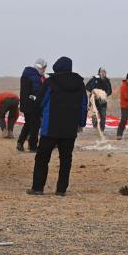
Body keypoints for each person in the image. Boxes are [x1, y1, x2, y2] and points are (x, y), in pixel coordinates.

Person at [27, 56, 87, 197]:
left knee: (42, 158)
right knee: (66, 159)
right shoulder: (79, 84)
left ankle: (37, 188)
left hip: (50, 127)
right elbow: (84, 105)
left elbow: (41, 102)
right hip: (70, 129)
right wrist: (81, 123)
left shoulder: (51, 82)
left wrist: (38, 114)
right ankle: (61, 190)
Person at [17, 58, 47, 152]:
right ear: (41, 67)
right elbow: (36, 91)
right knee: (35, 125)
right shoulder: (35, 76)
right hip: (32, 105)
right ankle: (33, 146)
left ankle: (20, 142)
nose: (44, 70)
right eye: (44, 68)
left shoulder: (26, 74)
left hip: (25, 104)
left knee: (28, 124)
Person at [86, 67, 113, 133]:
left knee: (103, 116)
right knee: (94, 115)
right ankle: (95, 128)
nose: (103, 73)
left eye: (104, 72)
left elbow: (110, 90)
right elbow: (87, 86)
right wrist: (92, 91)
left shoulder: (107, 81)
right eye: (101, 72)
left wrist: (105, 94)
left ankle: (102, 130)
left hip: (103, 101)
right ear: (99, 72)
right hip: (94, 100)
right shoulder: (94, 79)